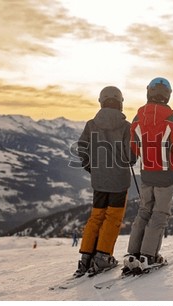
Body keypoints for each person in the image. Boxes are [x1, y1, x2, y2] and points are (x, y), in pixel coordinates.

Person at [124, 77, 173, 274]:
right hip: (166, 175)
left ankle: (132, 254)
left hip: (146, 173)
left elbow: (135, 147)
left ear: (149, 92)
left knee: (144, 211)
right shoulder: (171, 118)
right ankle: (148, 255)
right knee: (159, 215)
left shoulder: (138, 117)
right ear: (168, 95)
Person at [74, 85, 133, 277]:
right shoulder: (126, 127)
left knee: (96, 216)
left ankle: (86, 258)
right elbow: (130, 156)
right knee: (112, 218)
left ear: (101, 101)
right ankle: (103, 256)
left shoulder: (92, 124)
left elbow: (81, 148)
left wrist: (92, 166)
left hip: (99, 180)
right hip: (119, 181)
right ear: (120, 102)